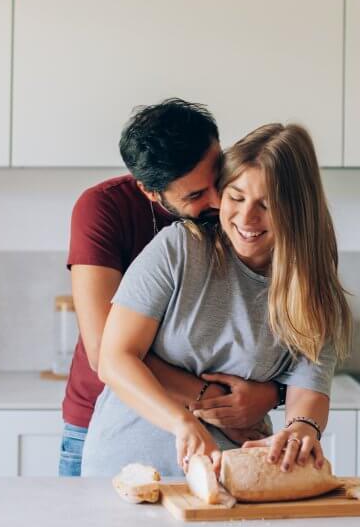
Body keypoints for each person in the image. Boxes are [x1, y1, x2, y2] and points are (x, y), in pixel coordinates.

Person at [81, 123, 352, 477]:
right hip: (126, 468)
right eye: (236, 198)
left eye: (266, 205)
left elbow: (310, 386)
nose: (246, 218)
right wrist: (183, 422)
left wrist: (302, 428)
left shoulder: (312, 289)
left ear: (298, 211)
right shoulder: (178, 249)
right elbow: (114, 359)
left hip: (234, 478)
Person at [61, 99, 283, 476]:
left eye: (217, 181)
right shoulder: (102, 209)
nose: (217, 202)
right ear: (150, 192)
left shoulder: (245, 212)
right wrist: (215, 402)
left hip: (224, 430)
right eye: (195, 196)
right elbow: (105, 352)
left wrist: (271, 394)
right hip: (111, 421)